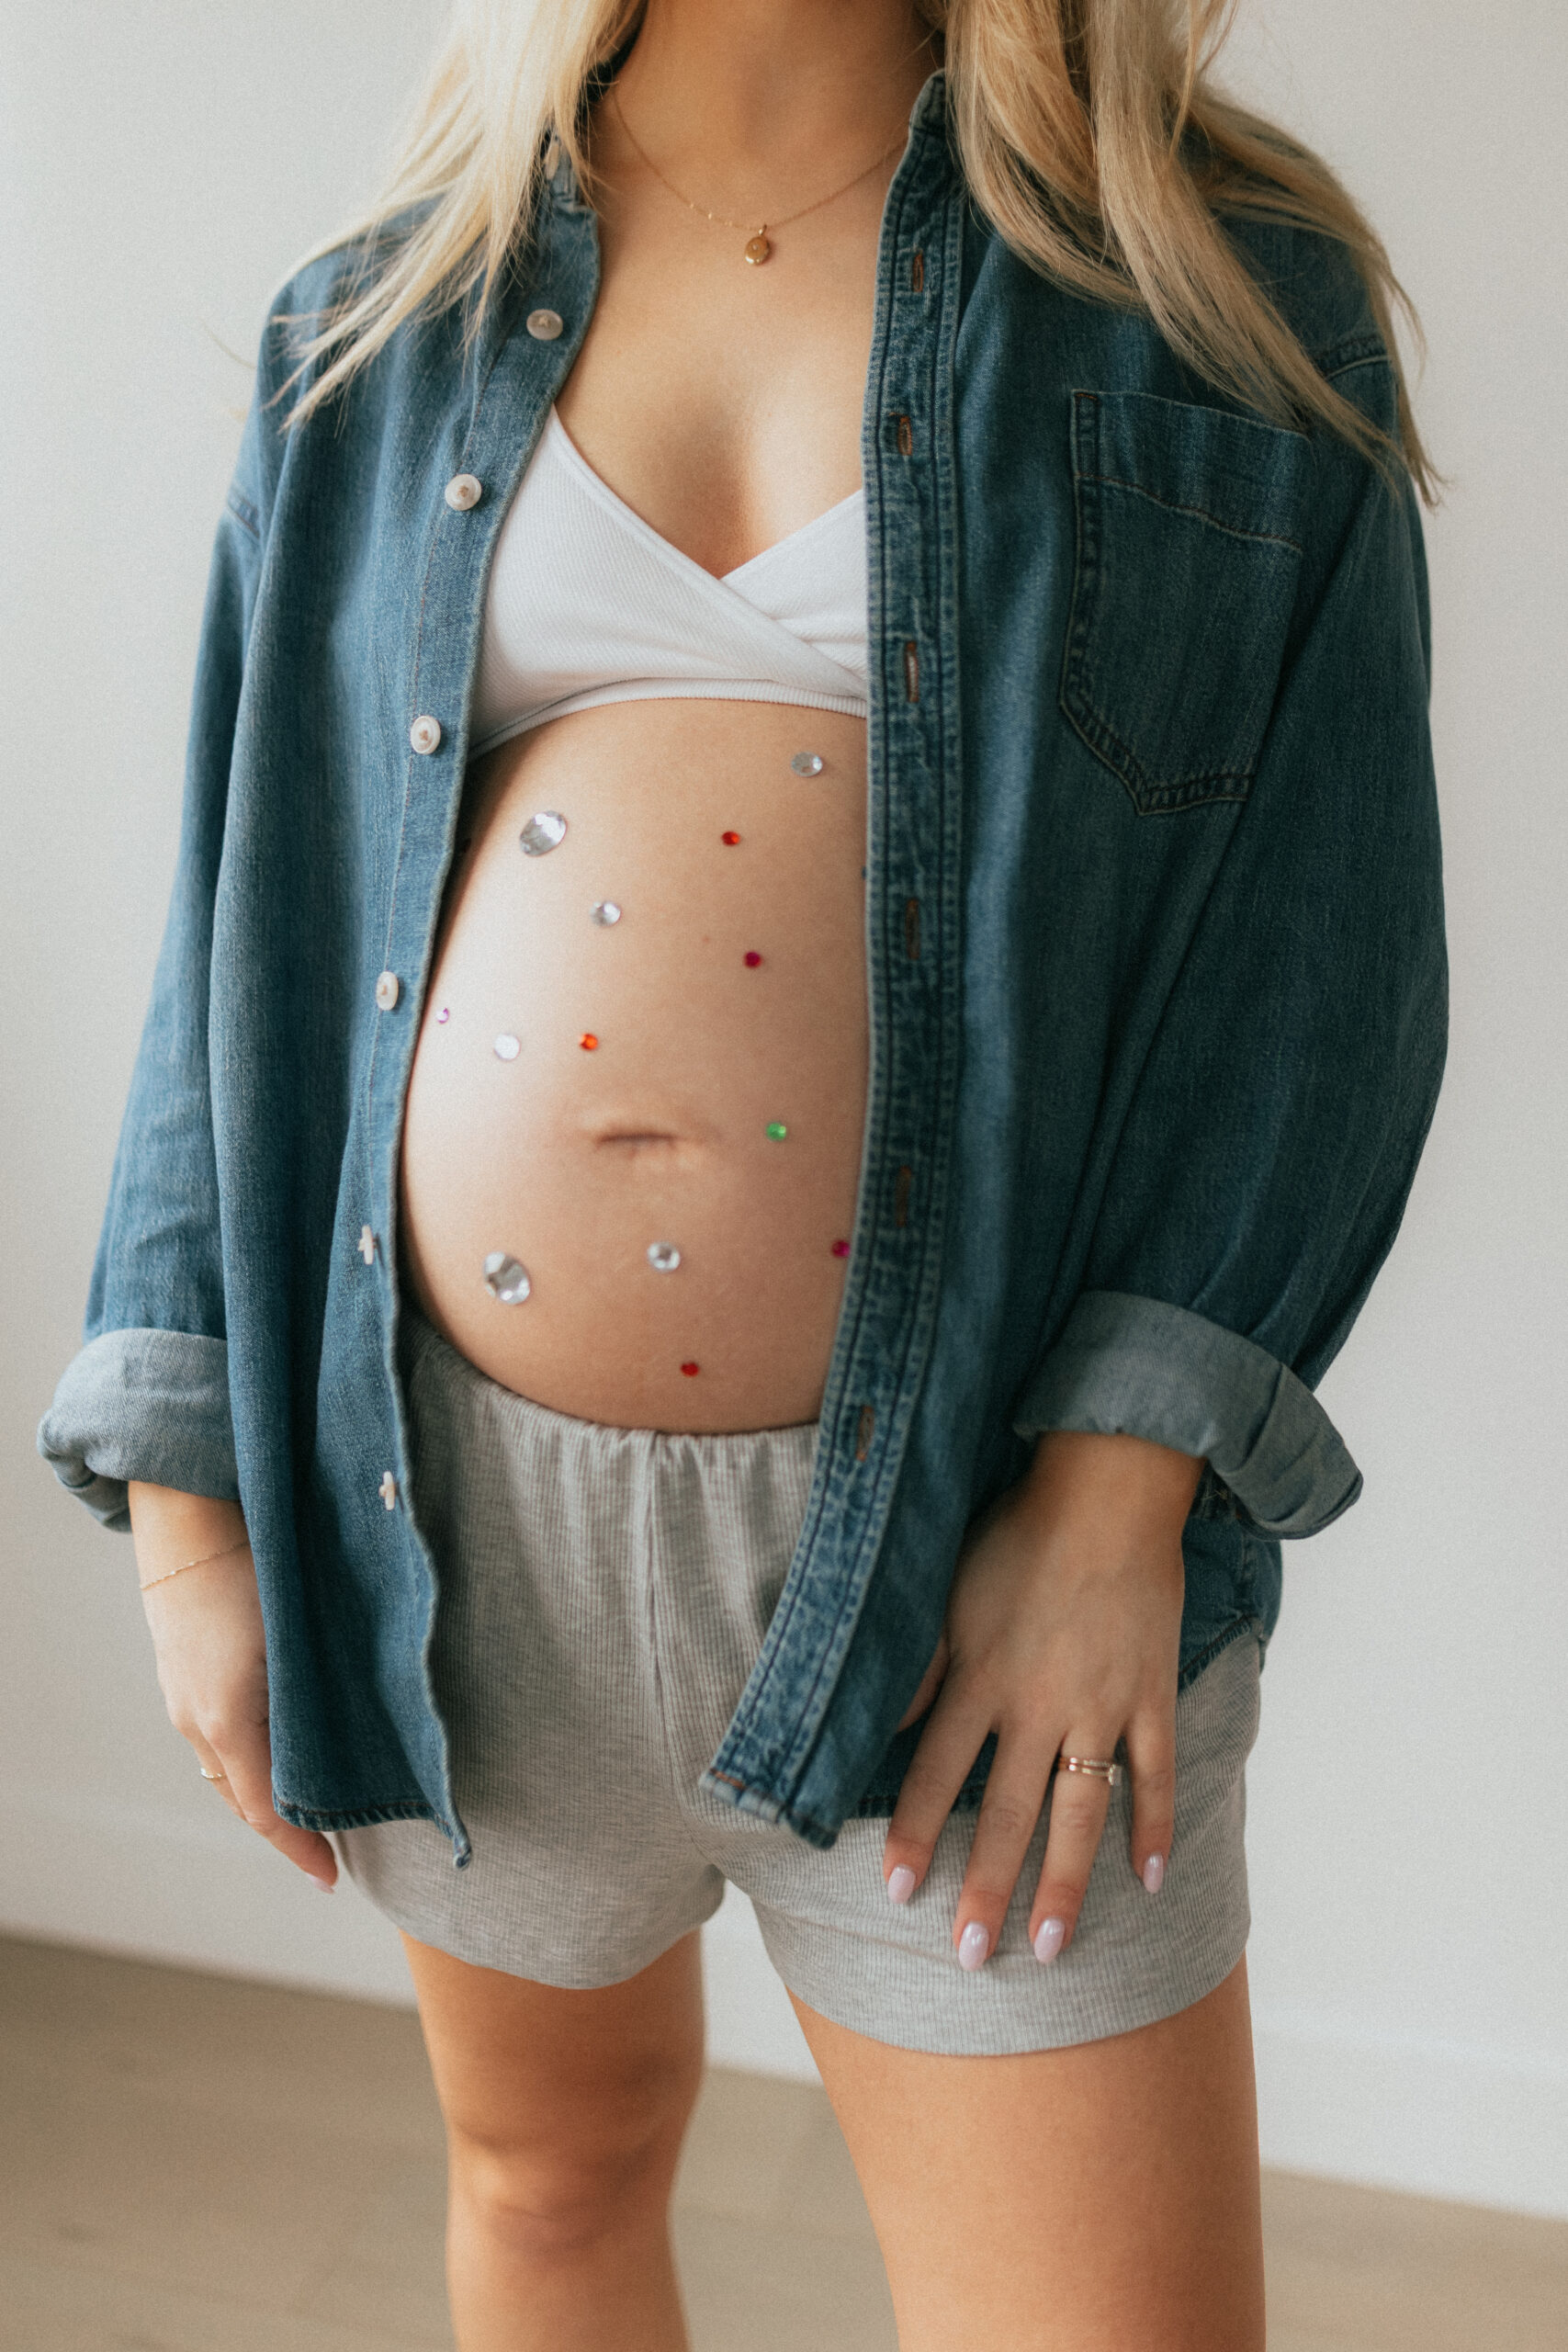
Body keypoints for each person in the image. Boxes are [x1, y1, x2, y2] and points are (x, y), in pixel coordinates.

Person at [39, 1, 1446, 2344]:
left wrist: (1113, 1505)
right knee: (551, 2172)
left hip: (990, 1563)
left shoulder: (1213, 290)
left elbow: (1323, 949)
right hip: (446, 1531)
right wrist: (193, 1509)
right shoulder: (383, 309)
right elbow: (237, 923)